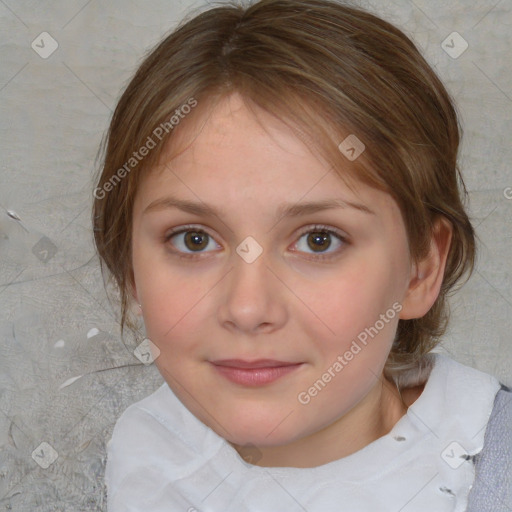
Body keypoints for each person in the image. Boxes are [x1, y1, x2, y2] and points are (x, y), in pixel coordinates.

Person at [92, 0, 512, 510]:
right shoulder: (145, 451)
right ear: (131, 270)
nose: (247, 309)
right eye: (194, 239)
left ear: (420, 269)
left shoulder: (483, 475)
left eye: (319, 240)